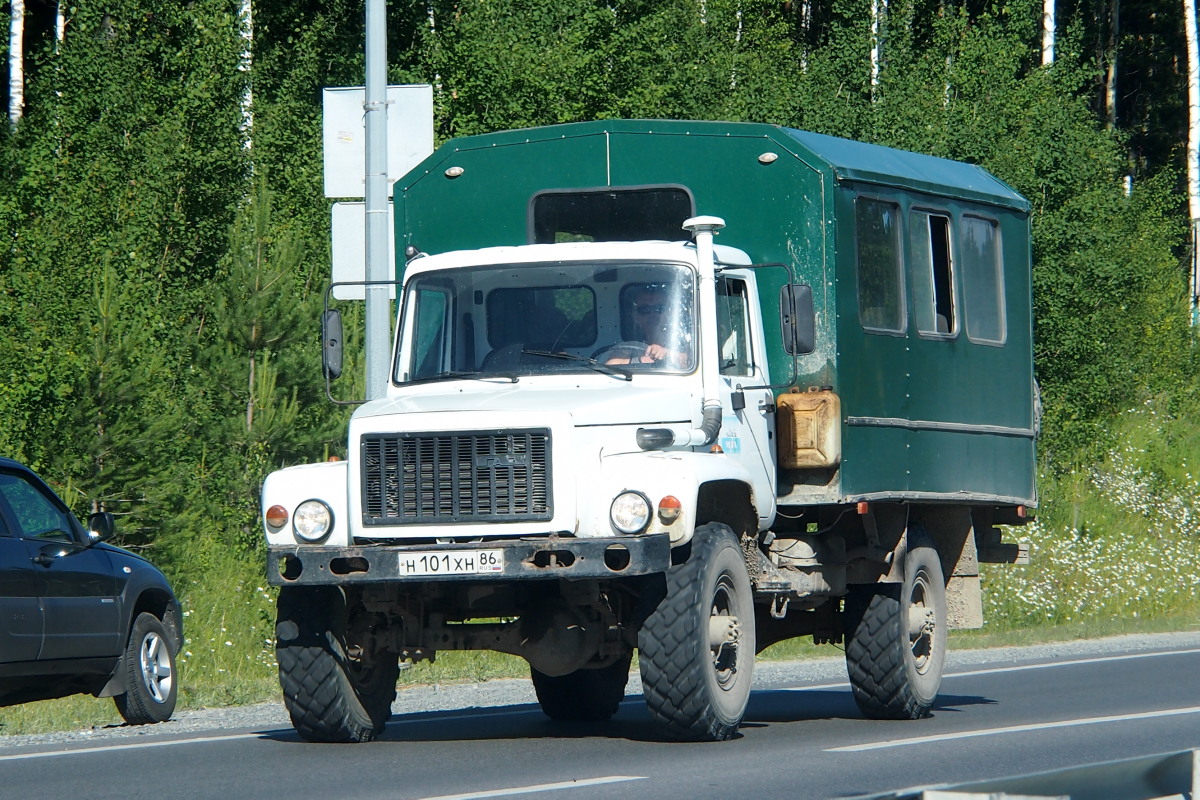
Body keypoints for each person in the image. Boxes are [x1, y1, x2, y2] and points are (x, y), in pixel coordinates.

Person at [605, 285, 690, 367]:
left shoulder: (684, 342)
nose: (652, 314)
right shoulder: (628, 347)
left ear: (669, 314)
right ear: (636, 317)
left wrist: (667, 354)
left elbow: (694, 362)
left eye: (658, 308)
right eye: (645, 309)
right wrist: (643, 360)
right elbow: (611, 364)